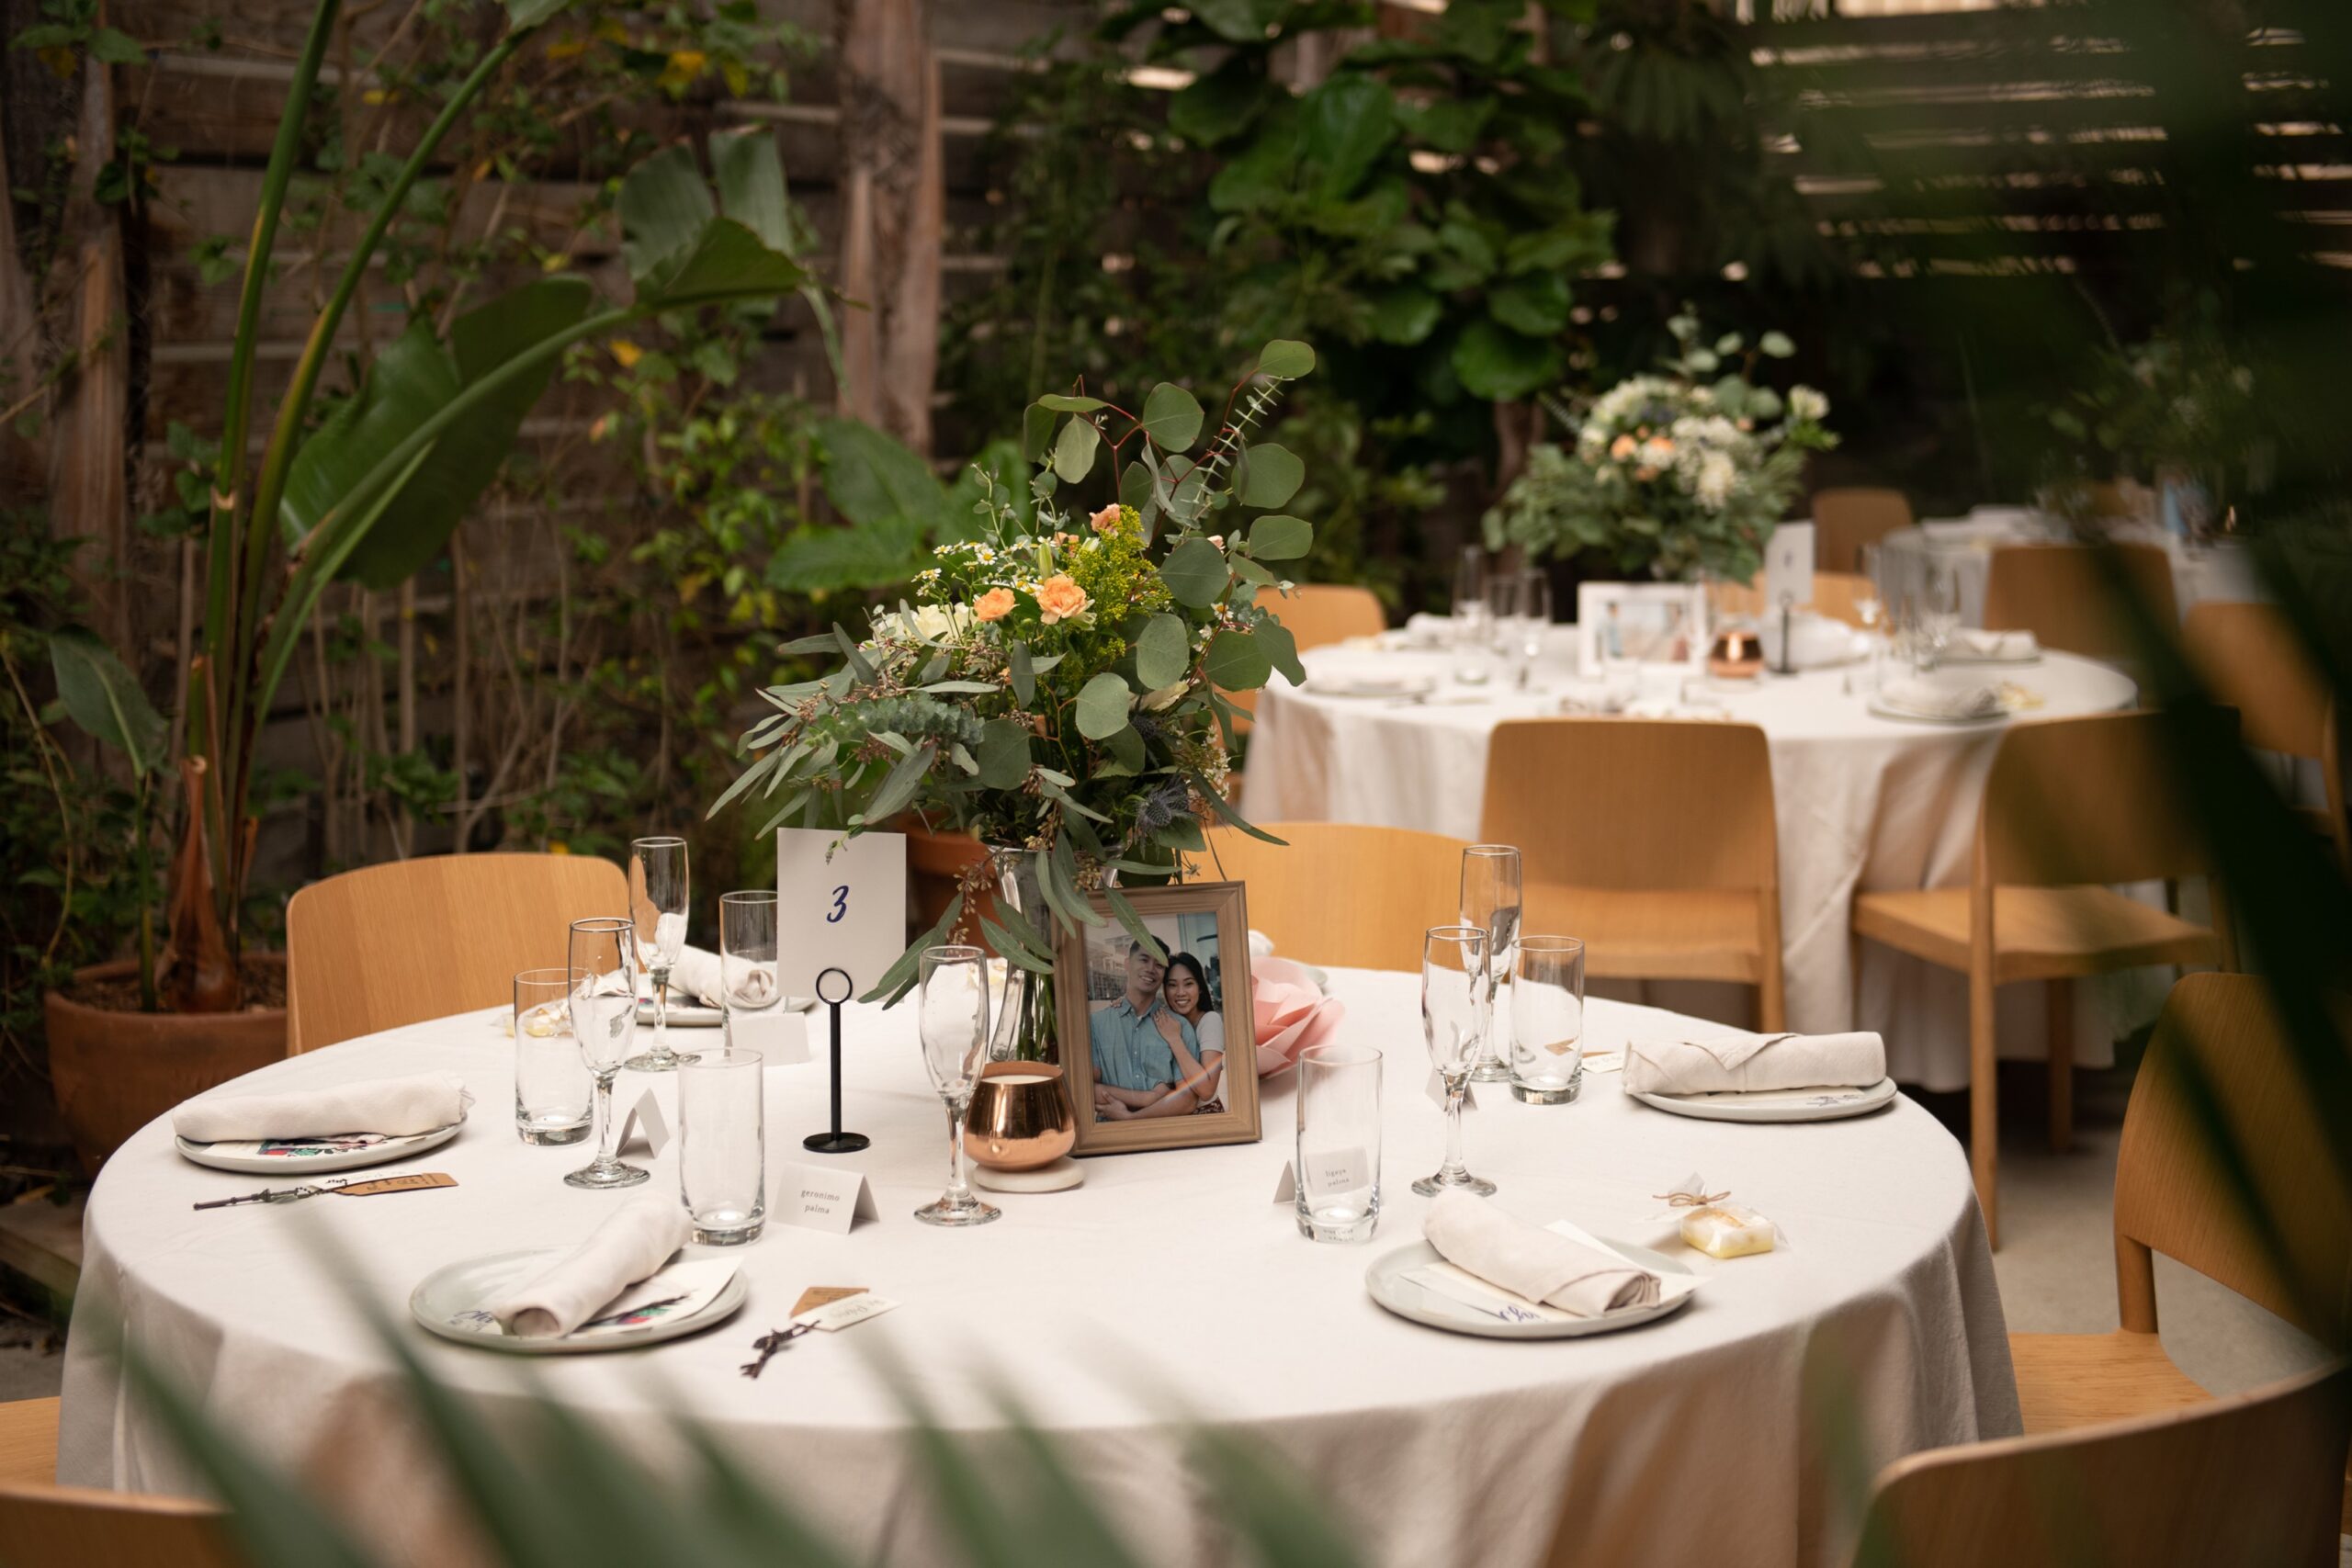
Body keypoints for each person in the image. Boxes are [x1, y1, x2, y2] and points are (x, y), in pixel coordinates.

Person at [1088, 940, 1205, 1121]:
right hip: (1109, 1138)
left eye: (1159, 964)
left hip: (1164, 1137)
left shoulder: (1179, 1027)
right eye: (1144, 960)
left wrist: (1129, 1118)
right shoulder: (1096, 1024)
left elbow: (1187, 1101)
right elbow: (1086, 1089)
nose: (1151, 968)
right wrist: (1150, 1097)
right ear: (1127, 964)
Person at [1156, 952, 1225, 1114]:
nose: (1180, 992)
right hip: (1172, 1114)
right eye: (1172, 985)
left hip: (1205, 1116)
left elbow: (1207, 1091)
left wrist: (1174, 1039)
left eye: (1188, 984)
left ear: (1200, 988)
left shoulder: (1210, 1021)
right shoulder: (1164, 1020)